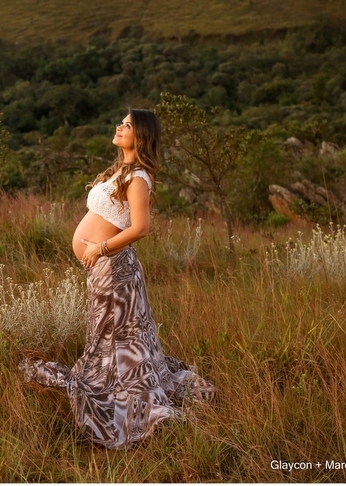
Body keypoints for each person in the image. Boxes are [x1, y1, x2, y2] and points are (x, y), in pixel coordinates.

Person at [19, 108, 216, 449]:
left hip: (115, 268)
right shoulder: (121, 171)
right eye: (121, 123)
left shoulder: (138, 177)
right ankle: (115, 389)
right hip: (105, 269)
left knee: (118, 340)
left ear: (141, 136)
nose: (119, 127)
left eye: (127, 125)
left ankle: (130, 407)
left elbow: (141, 228)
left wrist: (100, 248)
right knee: (108, 337)